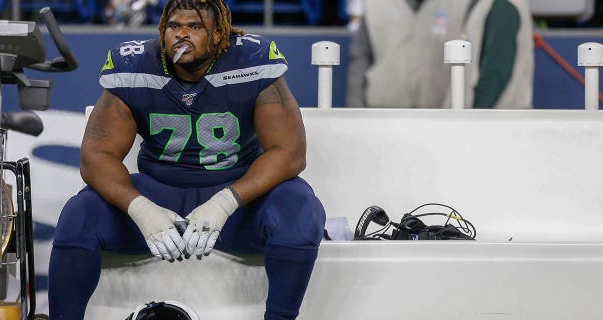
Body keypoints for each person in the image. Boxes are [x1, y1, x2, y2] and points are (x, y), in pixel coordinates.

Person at [48, 0, 326, 319]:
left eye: (194, 27)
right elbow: (96, 156)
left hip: (236, 201)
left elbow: (289, 152)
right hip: (159, 195)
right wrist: (142, 209)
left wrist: (225, 202)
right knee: (79, 215)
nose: (181, 35)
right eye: (173, 26)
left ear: (219, 35)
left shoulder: (251, 60)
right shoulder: (136, 65)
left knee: (301, 210)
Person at [347, 0, 534, 109]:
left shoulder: (501, 5)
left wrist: (467, 120)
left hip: (497, 127)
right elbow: (360, 57)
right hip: (385, 113)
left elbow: (495, 72)